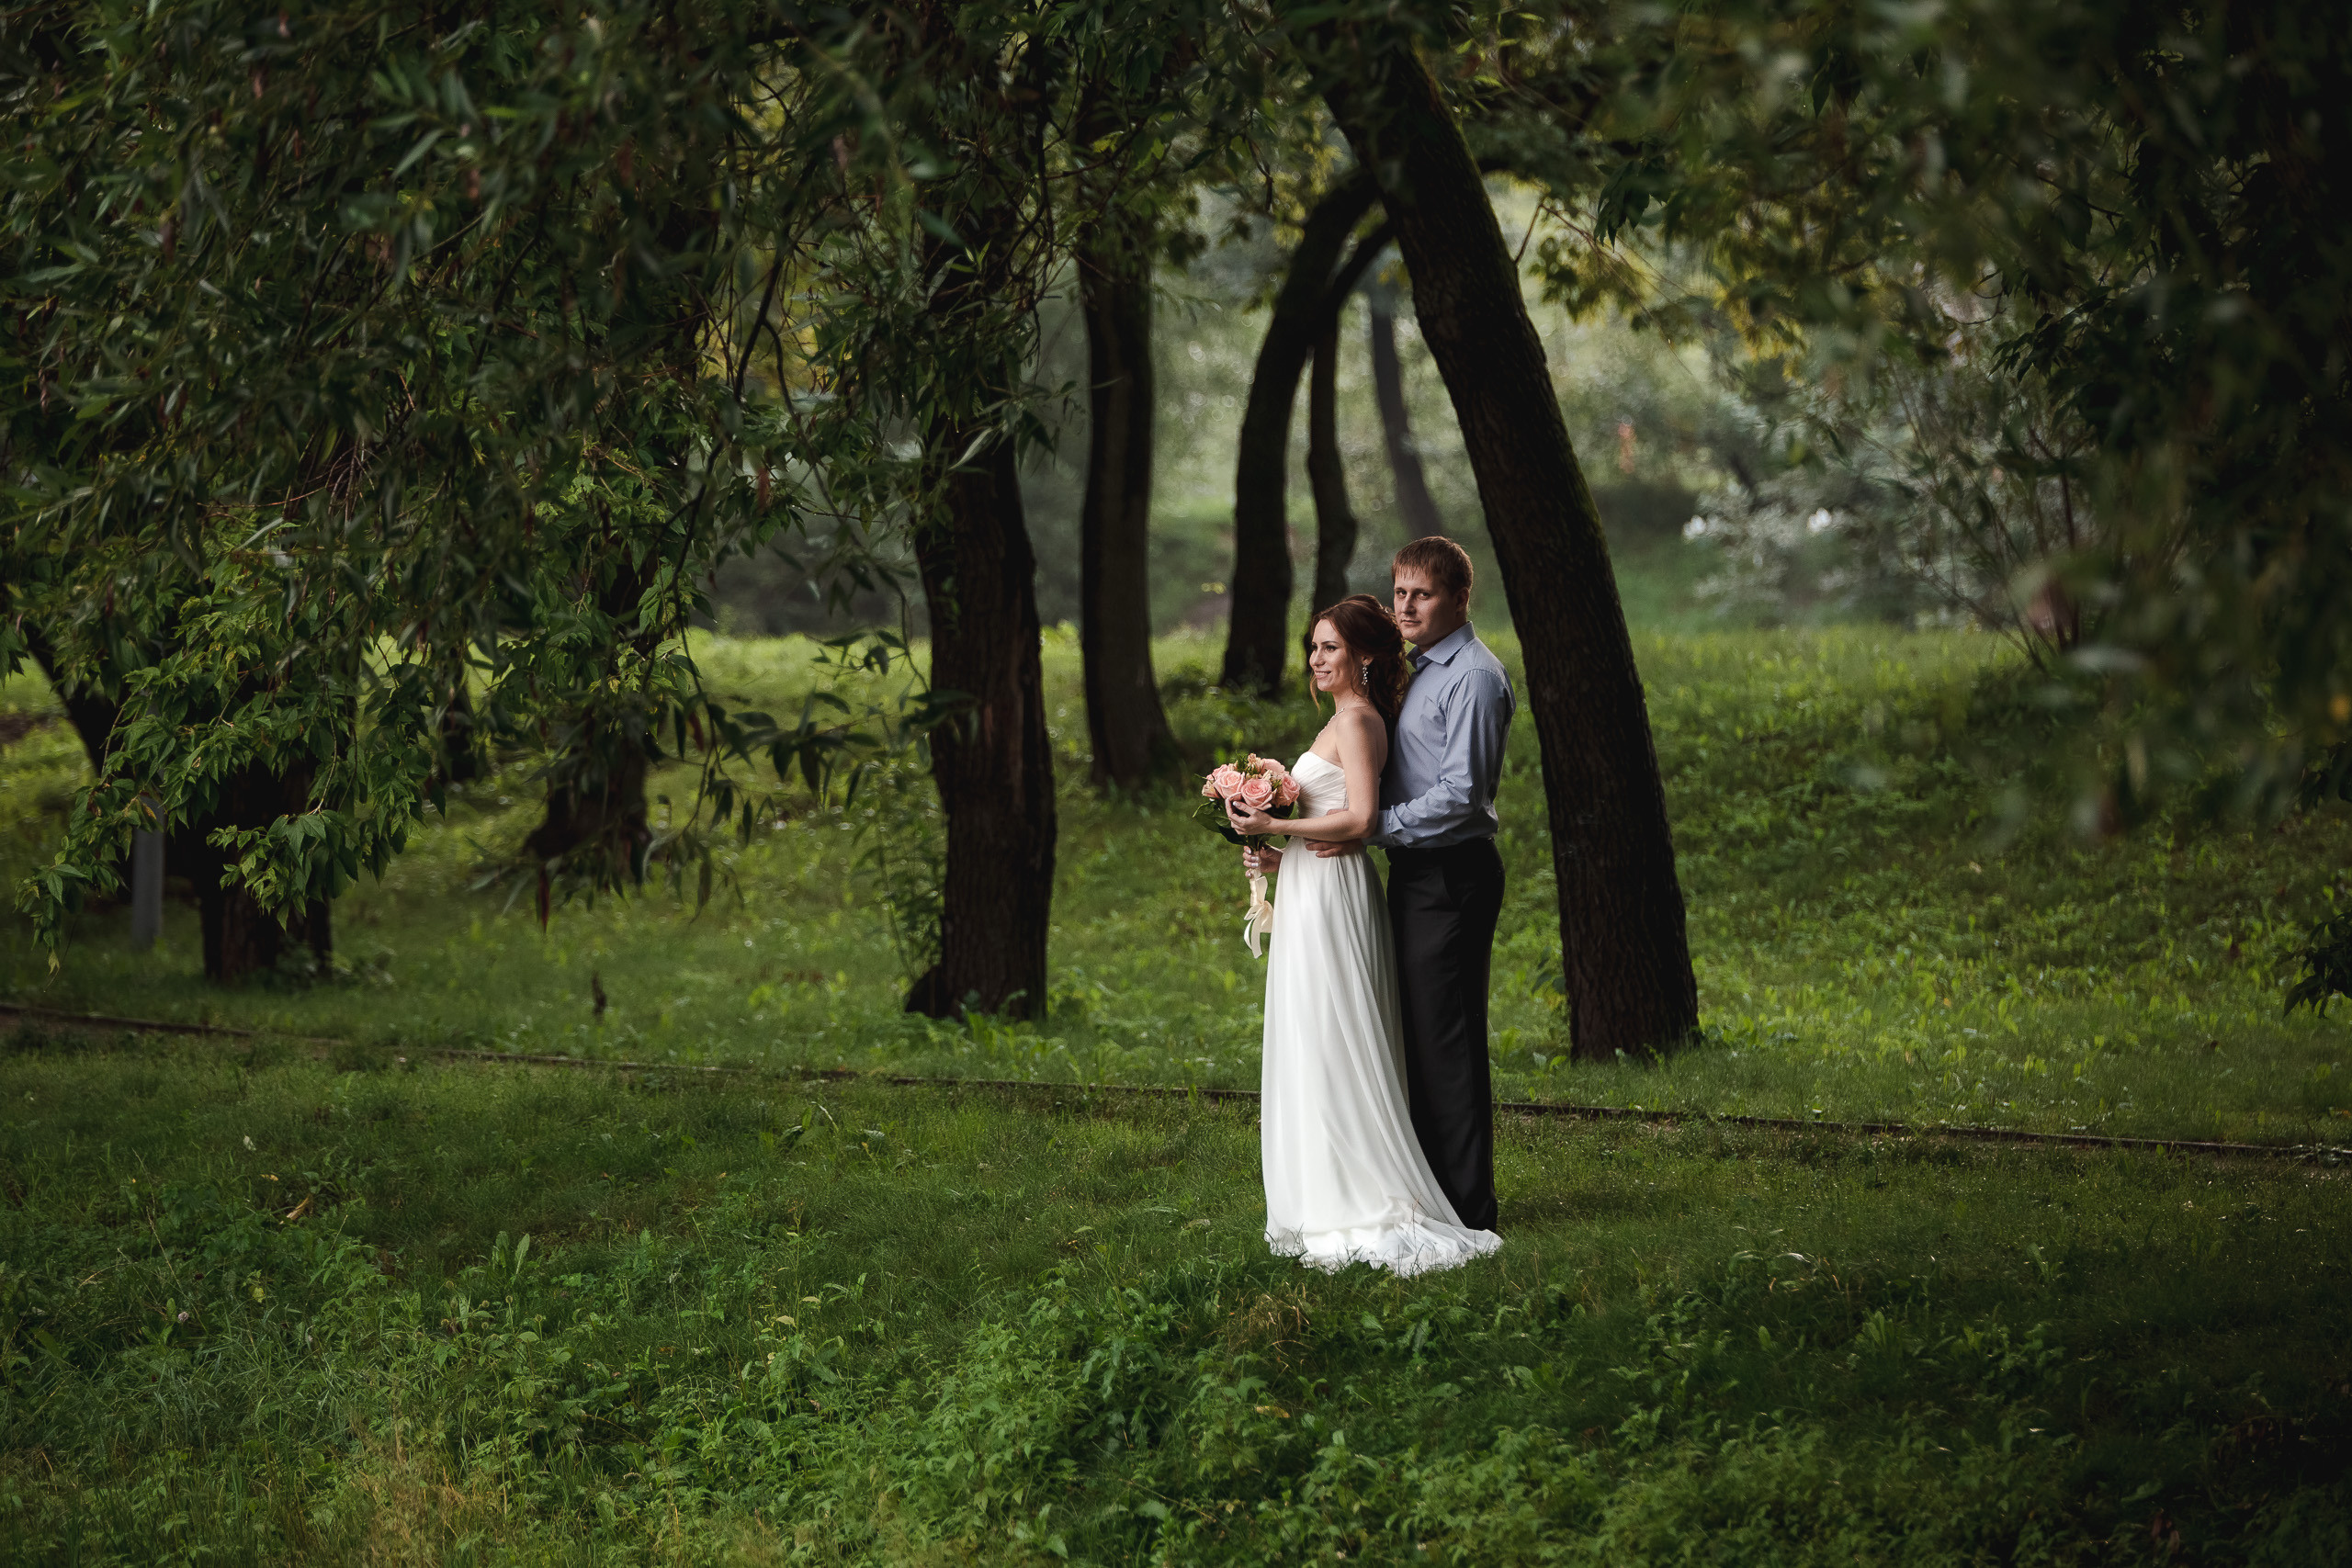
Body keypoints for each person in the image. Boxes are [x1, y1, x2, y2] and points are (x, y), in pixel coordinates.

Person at [1221, 592, 1501, 1276]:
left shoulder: (1357, 719)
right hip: (1313, 888)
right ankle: (1322, 1185)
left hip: (1337, 897)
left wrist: (1276, 827)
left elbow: (1362, 820)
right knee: (1314, 1034)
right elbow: (1329, 820)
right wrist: (1273, 851)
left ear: (1365, 656)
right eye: (1313, 647)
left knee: (1335, 1031)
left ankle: (1362, 1193)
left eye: (1331, 648)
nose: (1317, 658)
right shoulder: (1346, 720)